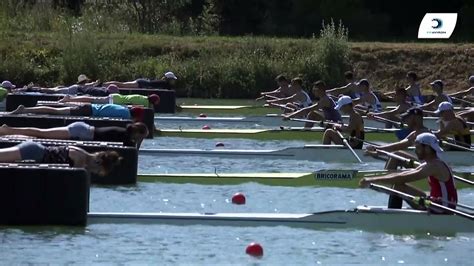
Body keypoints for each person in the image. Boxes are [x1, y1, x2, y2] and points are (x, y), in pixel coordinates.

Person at [360, 133, 458, 212]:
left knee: (399, 187)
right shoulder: (431, 163)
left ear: (427, 148)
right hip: (437, 202)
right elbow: (404, 174)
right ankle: (393, 214)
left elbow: (405, 178)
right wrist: (376, 180)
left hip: (442, 208)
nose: (415, 151)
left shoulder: (434, 166)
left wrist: (372, 180)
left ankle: (392, 218)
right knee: (400, 186)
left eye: (418, 148)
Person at [0, 141, 122, 176]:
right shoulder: (80, 158)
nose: (93, 172)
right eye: (96, 170)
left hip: (34, 152)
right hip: (33, 151)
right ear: (98, 161)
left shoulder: (82, 157)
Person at [365, 107, 431, 170]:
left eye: (408, 118)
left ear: (416, 118)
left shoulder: (422, 133)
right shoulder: (415, 133)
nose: (405, 121)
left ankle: (387, 178)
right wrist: (377, 150)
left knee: (397, 154)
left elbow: (397, 146)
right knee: (395, 155)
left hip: (427, 165)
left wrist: (377, 149)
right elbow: (399, 144)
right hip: (422, 163)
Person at [0, 122, 149, 149]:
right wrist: (140, 142)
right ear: (137, 133)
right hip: (80, 131)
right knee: (41, 133)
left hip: (82, 129)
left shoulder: (124, 132)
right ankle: (9, 130)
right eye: (142, 136)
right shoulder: (124, 136)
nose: (141, 139)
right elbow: (133, 148)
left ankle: (9, 132)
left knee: (41, 135)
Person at [7, 104, 145, 122]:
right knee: (54, 111)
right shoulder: (127, 115)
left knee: (56, 111)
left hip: (89, 107)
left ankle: (27, 109)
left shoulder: (124, 108)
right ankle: (25, 109)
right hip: (88, 110)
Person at [59, 92, 160, 109]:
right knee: (91, 100)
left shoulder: (143, 97)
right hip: (114, 101)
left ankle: (71, 99)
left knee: (91, 100)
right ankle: (70, 99)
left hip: (116, 97)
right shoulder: (145, 103)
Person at [103, 71, 177, 90]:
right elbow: (170, 91)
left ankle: (104, 84)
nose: (174, 81)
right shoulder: (165, 83)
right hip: (142, 83)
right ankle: (104, 84)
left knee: (122, 84)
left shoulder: (163, 83)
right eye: (173, 79)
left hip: (142, 82)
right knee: (122, 85)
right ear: (169, 79)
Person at [14, 84, 120, 97]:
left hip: (76, 87)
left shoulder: (102, 89)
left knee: (56, 89)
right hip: (75, 90)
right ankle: (34, 89)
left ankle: (37, 88)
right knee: (53, 92)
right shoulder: (102, 93)